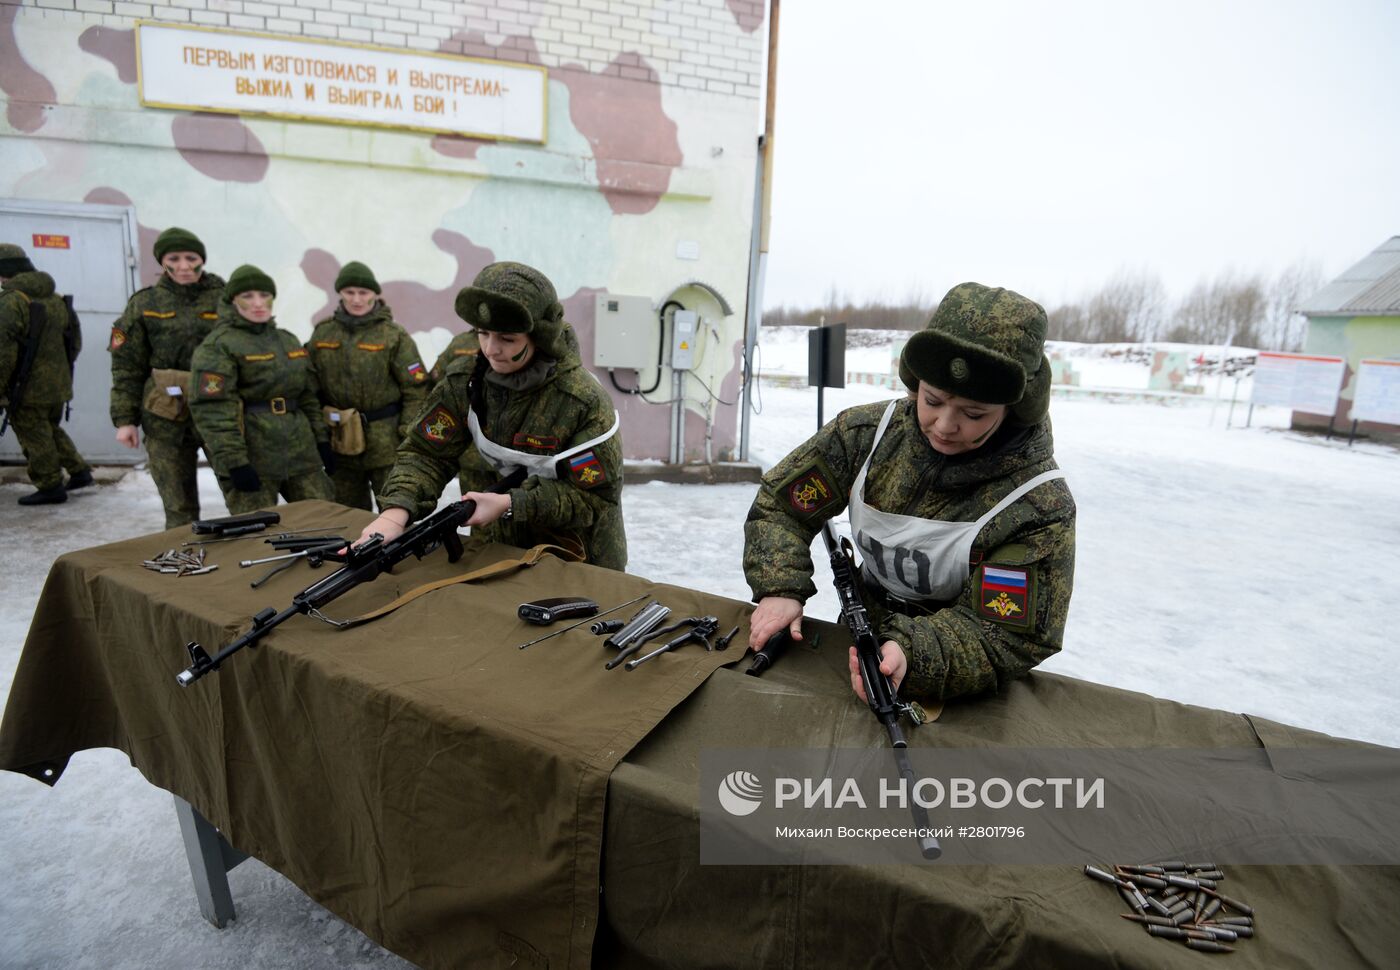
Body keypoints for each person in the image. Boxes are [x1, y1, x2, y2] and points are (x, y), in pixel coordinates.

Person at [743, 282, 1076, 704]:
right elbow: (782, 506)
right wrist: (780, 586)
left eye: (974, 414)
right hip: (855, 640)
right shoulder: (865, 437)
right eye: (931, 400)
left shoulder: (1036, 505)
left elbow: (1006, 633)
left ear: (1016, 410)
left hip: (956, 684)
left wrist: (913, 655)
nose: (944, 425)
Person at [357, 261, 626, 570]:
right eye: (483, 334)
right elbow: (426, 453)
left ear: (541, 337)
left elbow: (594, 499)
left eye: (507, 339)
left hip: (575, 557)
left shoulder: (582, 402)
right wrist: (395, 513)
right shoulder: (465, 383)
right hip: (497, 548)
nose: (490, 349)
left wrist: (512, 503)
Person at [188, 265, 335, 514]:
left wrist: (321, 441)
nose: (258, 303)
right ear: (233, 300)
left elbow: (307, 395)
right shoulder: (218, 346)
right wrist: (235, 463)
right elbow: (213, 410)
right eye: (247, 296)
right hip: (253, 458)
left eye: (264, 295)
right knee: (256, 535)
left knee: (324, 520)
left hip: (301, 454)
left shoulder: (287, 340)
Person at [109, 226, 226, 528]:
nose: (184, 266)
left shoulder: (225, 298)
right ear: (162, 262)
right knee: (178, 504)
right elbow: (127, 365)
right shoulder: (145, 303)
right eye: (174, 258)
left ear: (202, 259)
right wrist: (125, 419)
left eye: (191, 257)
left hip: (218, 410)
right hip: (163, 415)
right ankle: (185, 561)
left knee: (241, 493)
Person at [306, 261, 429, 511]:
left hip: (386, 445)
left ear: (374, 294)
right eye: (350, 292)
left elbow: (416, 390)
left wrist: (407, 436)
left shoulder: (394, 335)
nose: (357, 299)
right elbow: (310, 388)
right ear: (340, 294)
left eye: (363, 293)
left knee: (395, 511)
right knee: (345, 515)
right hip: (340, 441)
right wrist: (320, 434)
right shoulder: (323, 335)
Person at [0, 243, 92, 505]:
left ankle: (50, 485)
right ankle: (79, 471)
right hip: (59, 384)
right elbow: (74, 342)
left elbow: (3, 354)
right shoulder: (55, 297)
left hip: (26, 388)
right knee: (50, 429)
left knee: (35, 436)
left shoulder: (12, 301)